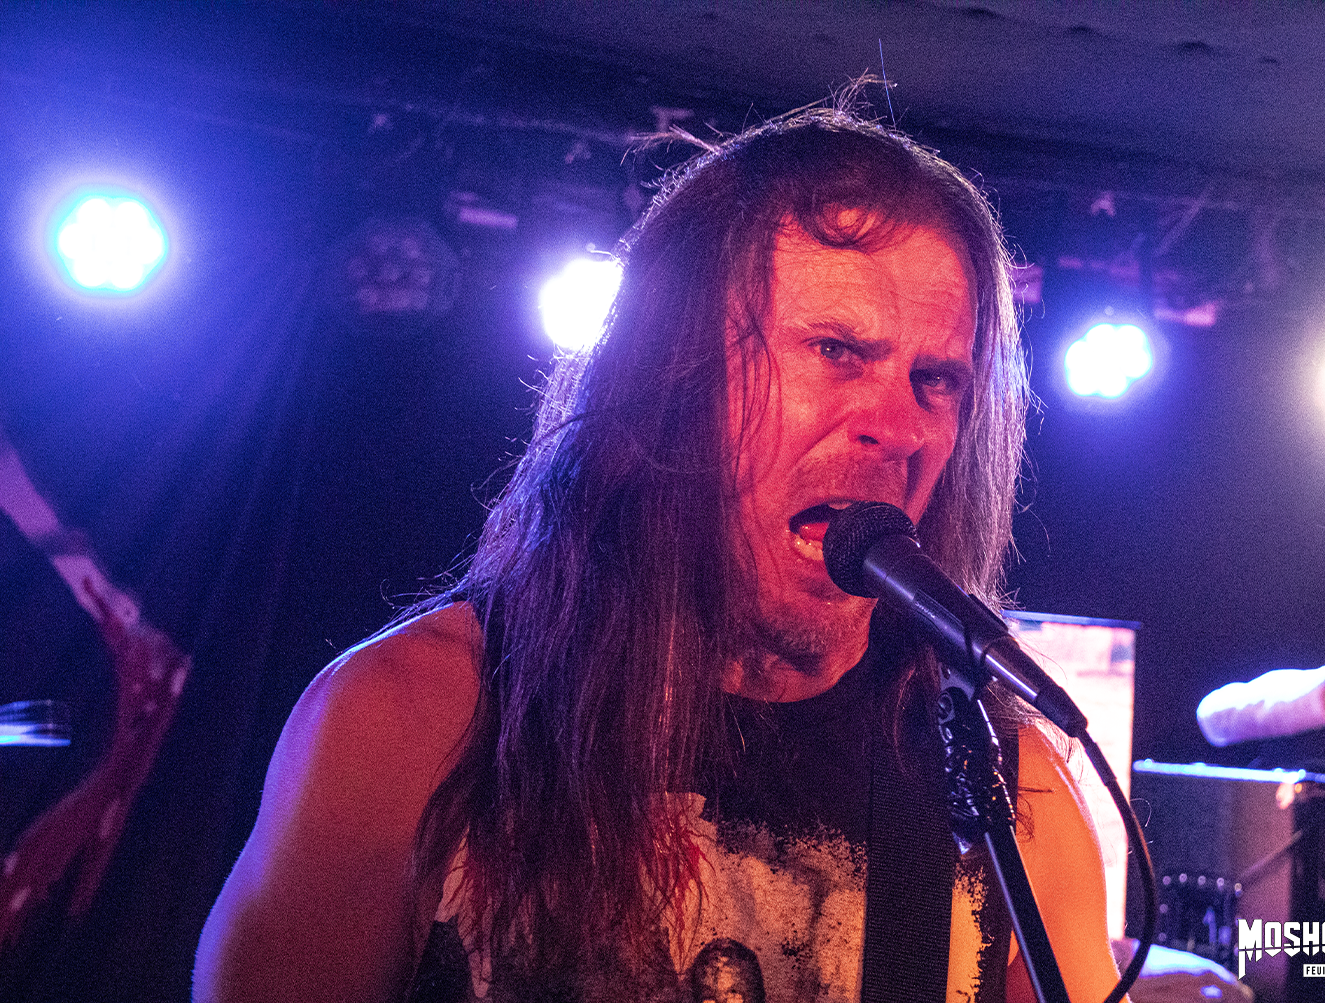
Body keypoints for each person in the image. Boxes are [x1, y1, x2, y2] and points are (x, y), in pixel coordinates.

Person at [194, 106, 1123, 1002]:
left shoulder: (1007, 792)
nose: (898, 426)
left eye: (934, 379)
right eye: (837, 350)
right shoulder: (415, 723)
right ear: (674, 379)